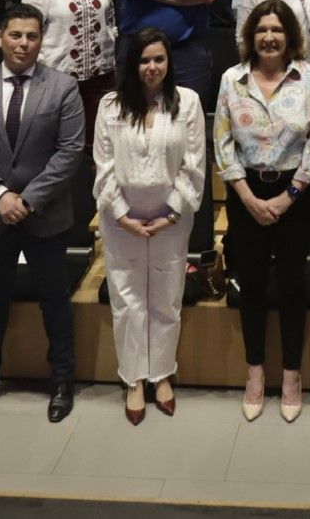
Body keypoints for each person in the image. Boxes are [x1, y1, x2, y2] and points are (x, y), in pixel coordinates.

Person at [0, 2, 90, 423]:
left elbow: (70, 152)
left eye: (32, 36)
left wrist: (26, 200)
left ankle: (63, 379)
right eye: (16, 35)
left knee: (55, 300)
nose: (24, 43)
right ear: (0, 38)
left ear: (40, 40)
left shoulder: (63, 87)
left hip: (44, 216)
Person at [215, 0, 310, 423]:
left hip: (295, 197)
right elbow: (223, 141)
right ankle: (255, 372)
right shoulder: (232, 79)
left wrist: (288, 197)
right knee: (253, 284)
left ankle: (292, 374)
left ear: (290, 35)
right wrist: (246, 197)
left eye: (277, 29)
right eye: (261, 29)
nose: (268, 36)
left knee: (293, 284)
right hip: (246, 192)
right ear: (251, 35)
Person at [94, 27, 205, 424]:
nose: (152, 67)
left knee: (166, 297)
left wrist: (170, 214)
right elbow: (103, 166)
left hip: (172, 217)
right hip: (119, 217)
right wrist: (122, 213)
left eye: (159, 59)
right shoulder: (110, 105)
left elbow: (194, 165)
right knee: (126, 298)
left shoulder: (186, 102)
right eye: (144, 60)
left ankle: (161, 374)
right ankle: (133, 378)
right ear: (131, 63)